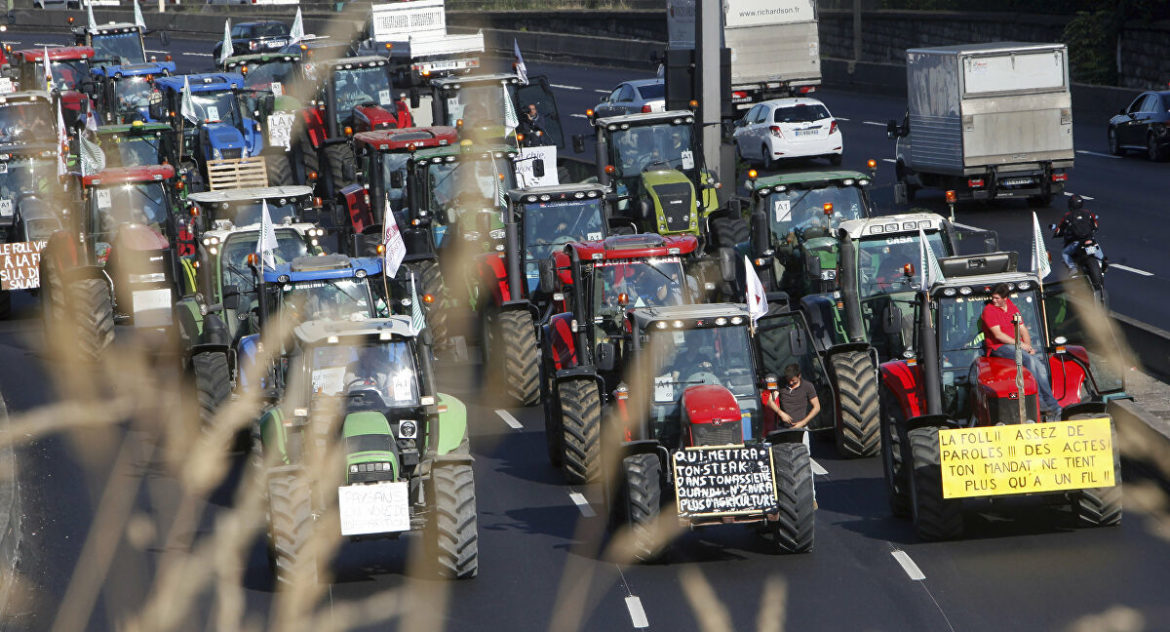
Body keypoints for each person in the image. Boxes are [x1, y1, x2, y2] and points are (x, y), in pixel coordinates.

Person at [979, 283, 1061, 420]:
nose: (994, 300)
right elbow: (998, 335)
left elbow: (1022, 329)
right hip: (999, 347)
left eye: (997, 298)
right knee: (1029, 360)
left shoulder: (1011, 307)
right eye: (993, 298)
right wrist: (1022, 345)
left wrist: (1028, 346)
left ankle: (1053, 404)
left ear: (1005, 298)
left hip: (1017, 345)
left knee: (1039, 365)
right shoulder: (989, 310)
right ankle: (1040, 402)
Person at [1054, 194, 1104, 273]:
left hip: (1077, 242)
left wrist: (1056, 233)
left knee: (1065, 253)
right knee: (1096, 246)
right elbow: (1095, 225)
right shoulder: (1088, 213)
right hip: (1089, 239)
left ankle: (1073, 269)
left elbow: (1060, 229)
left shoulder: (1067, 216)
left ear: (1070, 205)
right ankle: (1101, 263)